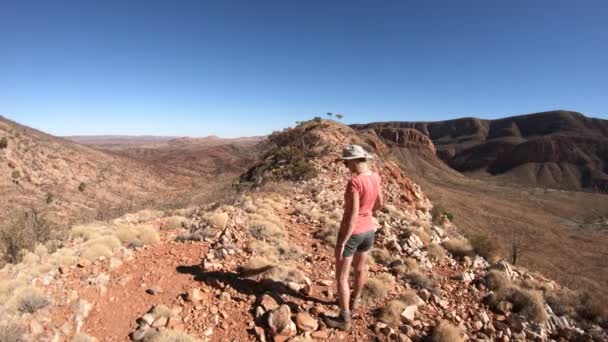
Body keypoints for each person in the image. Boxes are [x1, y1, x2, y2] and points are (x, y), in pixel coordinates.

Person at [324, 144, 383, 331]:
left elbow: (352, 215)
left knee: (341, 277)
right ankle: (355, 300)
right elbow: (380, 204)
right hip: (369, 231)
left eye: (346, 162)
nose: (344, 165)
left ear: (353, 162)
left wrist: (342, 242)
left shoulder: (355, 182)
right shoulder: (375, 177)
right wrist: (368, 212)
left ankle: (344, 319)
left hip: (353, 233)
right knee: (360, 269)